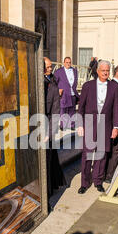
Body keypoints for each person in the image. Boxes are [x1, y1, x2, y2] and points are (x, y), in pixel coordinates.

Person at [77, 60, 118, 194]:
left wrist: (116, 127)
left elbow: (116, 109)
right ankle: (84, 183)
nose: (105, 73)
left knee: (102, 155)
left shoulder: (114, 87)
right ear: (97, 71)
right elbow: (81, 107)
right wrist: (79, 125)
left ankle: (98, 181)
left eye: (107, 70)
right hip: (89, 123)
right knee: (87, 155)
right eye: (103, 70)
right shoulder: (88, 86)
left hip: (106, 125)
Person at [44, 58, 67, 206]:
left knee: (47, 161)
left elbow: (55, 112)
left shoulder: (52, 85)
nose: (50, 68)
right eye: (48, 66)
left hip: (46, 131)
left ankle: (47, 192)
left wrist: (50, 133)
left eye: (51, 66)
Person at [54, 57, 79, 130]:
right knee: (63, 110)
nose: (68, 64)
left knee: (72, 111)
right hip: (64, 94)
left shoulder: (75, 71)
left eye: (69, 62)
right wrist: (58, 90)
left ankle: (72, 125)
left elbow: (75, 81)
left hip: (73, 93)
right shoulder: (59, 71)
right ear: (64, 63)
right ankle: (62, 125)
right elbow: (54, 82)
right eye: (67, 62)